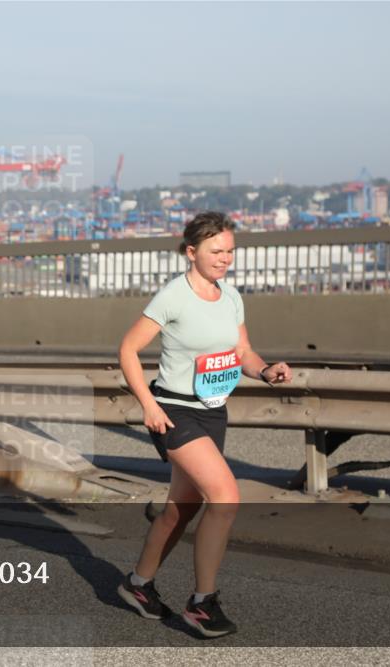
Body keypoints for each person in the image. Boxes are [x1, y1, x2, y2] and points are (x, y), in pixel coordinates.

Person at [115, 211, 291, 638]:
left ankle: (138, 585)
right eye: (216, 251)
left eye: (230, 251)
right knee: (225, 497)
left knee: (182, 509)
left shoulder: (230, 296)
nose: (225, 258)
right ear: (191, 252)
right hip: (174, 412)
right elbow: (127, 350)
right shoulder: (173, 296)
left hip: (213, 412)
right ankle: (202, 603)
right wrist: (148, 405)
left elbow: (242, 351)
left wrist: (265, 370)